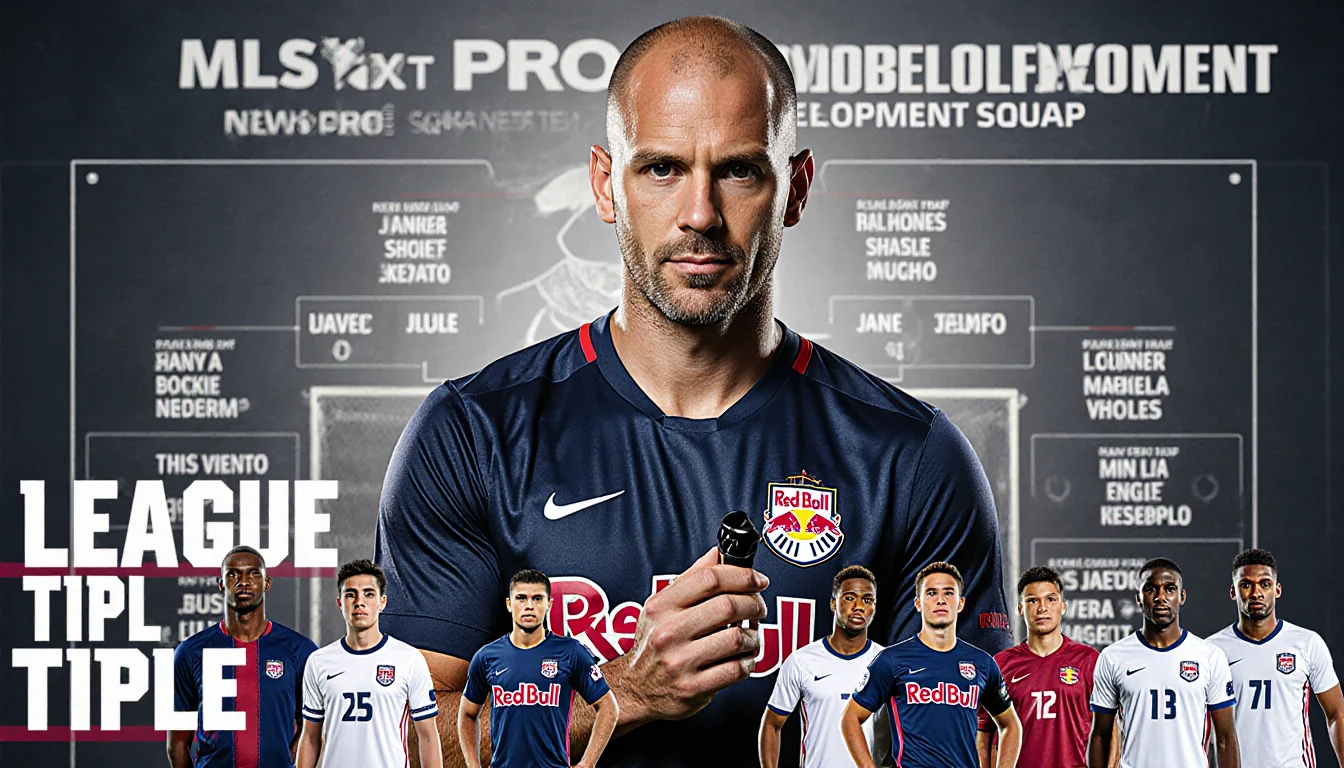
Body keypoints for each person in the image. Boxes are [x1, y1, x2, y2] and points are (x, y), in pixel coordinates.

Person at [375, 15, 1011, 766]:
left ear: (796, 189)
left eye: (739, 170)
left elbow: (960, 738)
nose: (700, 215)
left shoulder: (910, 456)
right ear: (607, 185)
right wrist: (624, 693)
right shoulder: (473, 431)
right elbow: (396, 744)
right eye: (662, 168)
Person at [841, 562, 1022, 768]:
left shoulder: (982, 663)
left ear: (960, 603)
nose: (940, 600)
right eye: (931, 593)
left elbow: (1010, 725)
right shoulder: (891, 660)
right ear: (918, 603)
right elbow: (850, 719)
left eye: (948, 593)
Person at [168, 545, 318, 768]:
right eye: (233, 574)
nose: (243, 581)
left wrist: (291, 759)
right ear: (221, 585)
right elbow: (177, 743)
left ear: (267, 583)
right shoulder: (190, 652)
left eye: (254, 573)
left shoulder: (300, 650)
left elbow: (314, 729)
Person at [1086, 557, 1240, 768]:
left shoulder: (1209, 656)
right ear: (1139, 598)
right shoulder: (1113, 656)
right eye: (1150, 590)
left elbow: (1225, 738)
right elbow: (1101, 736)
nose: (1160, 597)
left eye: (1169, 589)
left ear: (1182, 596)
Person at [458, 570, 619, 768]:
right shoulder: (486, 657)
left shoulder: (571, 652)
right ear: (509, 604)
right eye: (521, 598)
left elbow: (608, 708)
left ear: (549, 605)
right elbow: (467, 714)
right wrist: (473, 765)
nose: (529, 606)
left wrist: (588, 762)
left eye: (537, 599)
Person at [295, 559, 443, 768]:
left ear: (382, 602)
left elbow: (427, 736)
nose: (359, 602)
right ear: (340, 602)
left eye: (369, 594)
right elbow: (310, 738)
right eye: (350, 594)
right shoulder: (319, 662)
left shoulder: (409, 659)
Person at [1206, 548, 1344, 767]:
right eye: (1246, 584)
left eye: (1265, 584)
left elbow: (1336, 713)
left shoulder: (1307, 643)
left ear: (1277, 590)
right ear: (1233, 591)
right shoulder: (1211, 651)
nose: (1256, 592)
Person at [759, 565, 886, 768]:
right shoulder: (802, 661)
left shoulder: (885, 661)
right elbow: (772, 725)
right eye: (850, 597)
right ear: (834, 604)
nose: (859, 606)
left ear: (874, 607)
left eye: (867, 599)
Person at [976, 566, 1099, 768]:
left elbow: (1109, 730)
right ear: (1020, 608)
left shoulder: (1088, 660)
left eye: (1050, 599)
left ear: (1064, 606)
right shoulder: (1000, 664)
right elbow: (983, 733)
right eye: (1032, 600)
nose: (1042, 608)